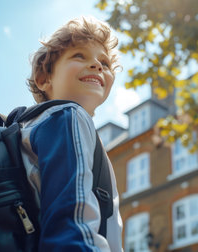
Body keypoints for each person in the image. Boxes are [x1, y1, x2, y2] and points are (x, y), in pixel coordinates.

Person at [21, 16, 123, 251]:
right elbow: (71, 224)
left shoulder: (30, 127)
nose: (97, 65)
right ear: (44, 78)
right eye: (80, 55)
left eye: (105, 63)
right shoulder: (70, 118)